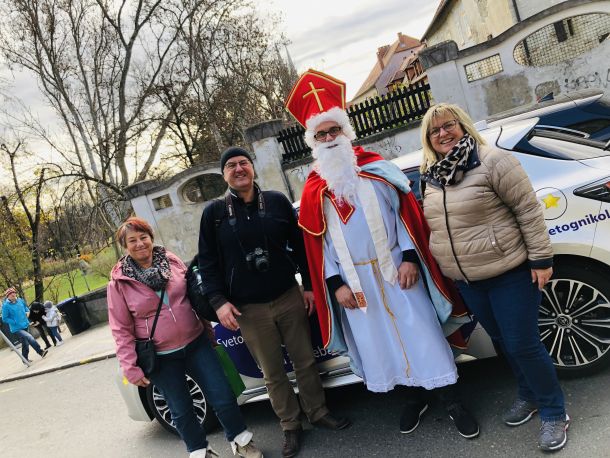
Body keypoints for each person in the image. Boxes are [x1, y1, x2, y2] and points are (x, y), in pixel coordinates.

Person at [286, 69, 478, 438]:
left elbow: (406, 218)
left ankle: (452, 401)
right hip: (356, 286)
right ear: (313, 141)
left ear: (346, 132)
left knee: (423, 336)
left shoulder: (377, 170)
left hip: (398, 272)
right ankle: (412, 398)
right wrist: (335, 283)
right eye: (321, 134)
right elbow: (318, 245)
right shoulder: (314, 191)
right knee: (383, 344)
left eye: (334, 131)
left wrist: (409, 258)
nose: (328, 138)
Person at [419, 103, 569, 452]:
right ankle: (528, 395)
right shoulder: (431, 175)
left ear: (463, 125)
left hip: (509, 272)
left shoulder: (492, 161)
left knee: (524, 344)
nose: (443, 134)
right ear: (428, 139)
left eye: (449, 125)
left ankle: (554, 411)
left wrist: (541, 258)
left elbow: (527, 209)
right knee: (503, 341)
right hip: (469, 280)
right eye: (435, 130)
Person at [198, 146, 350, 458]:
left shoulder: (278, 202)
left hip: (288, 296)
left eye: (244, 163)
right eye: (231, 166)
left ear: (252, 168)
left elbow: (301, 246)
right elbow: (208, 263)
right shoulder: (213, 214)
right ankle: (290, 426)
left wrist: (308, 286)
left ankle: (318, 412)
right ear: (224, 175)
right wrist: (218, 303)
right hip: (247, 309)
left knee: (305, 361)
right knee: (273, 373)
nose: (239, 169)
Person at [108, 217, 262, 458]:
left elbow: (194, 297)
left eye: (143, 237)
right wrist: (130, 366)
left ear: (151, 238)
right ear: (124, 246)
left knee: (223, 396)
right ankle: (201, 452)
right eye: (132, 240)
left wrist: (209, 333)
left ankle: (241, 442)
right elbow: (120, 328)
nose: (139, 244)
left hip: (196, 343)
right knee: (181, 410)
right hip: (160, 357)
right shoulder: (119, 283)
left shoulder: (172, 261)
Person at [1, 287, 49, 363]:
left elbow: (26, 309)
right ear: (8, 296)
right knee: (30, 337)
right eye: (10, 294)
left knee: (25, 344)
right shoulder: (5, 306)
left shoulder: (20, 300)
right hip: (16, 328)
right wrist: (14, 321)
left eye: (13, 293)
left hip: (25, 325)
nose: (13, 294)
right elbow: (4, 318)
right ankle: (40, 352)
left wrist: (27, 312)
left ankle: (24, 359)